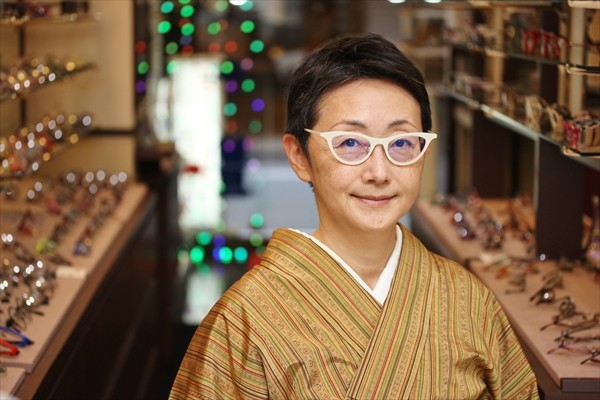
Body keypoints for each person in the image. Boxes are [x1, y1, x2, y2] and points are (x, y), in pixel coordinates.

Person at [170, 32, 539, 399]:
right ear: (299, 156)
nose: (379, 172)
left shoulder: (469, 301)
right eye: (350, 143)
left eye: (401, 143)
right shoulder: (245, 319)